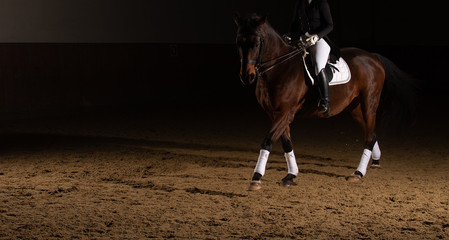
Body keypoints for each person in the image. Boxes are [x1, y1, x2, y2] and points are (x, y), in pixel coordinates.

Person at [288, 0, 337, 115]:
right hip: (304, 39)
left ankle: (325, 101)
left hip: (319, 40)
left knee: (318, 65)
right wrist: (289, 35)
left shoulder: (321, 3)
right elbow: (295, 23)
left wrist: (317, 36)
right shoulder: (299, 3)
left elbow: (330, 25)